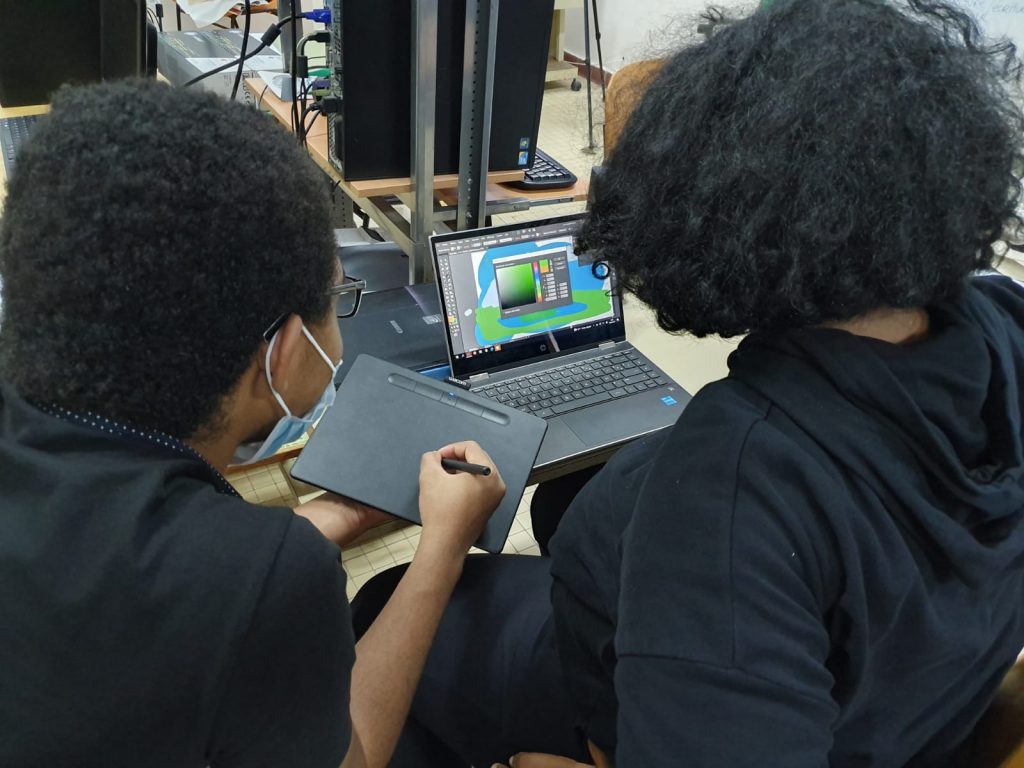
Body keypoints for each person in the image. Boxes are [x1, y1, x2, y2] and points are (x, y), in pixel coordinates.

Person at [354, 0, 1024, 765]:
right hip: (907, 705)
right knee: (567, 501)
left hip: (612, 703)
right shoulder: (1005, 319)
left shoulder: (731, 490)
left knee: (381, 599)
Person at [0, 80, 505, 767]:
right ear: (283, 353)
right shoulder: (261, 582)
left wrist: (329, 518)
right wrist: (444, 544)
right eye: (339, 297)